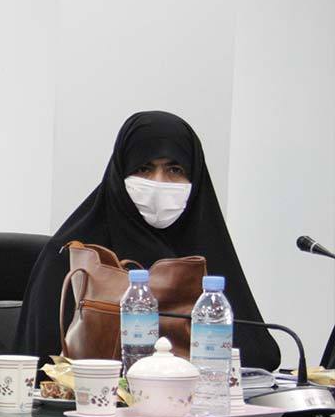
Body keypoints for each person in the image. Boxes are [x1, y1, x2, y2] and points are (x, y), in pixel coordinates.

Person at [14, 110, 280, 370]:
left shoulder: (208, 250)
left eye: (174, 169)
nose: (158, 183)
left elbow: (257, 355)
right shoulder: (70, 256)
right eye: (144, 169)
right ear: (120, 173)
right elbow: (35, 365)